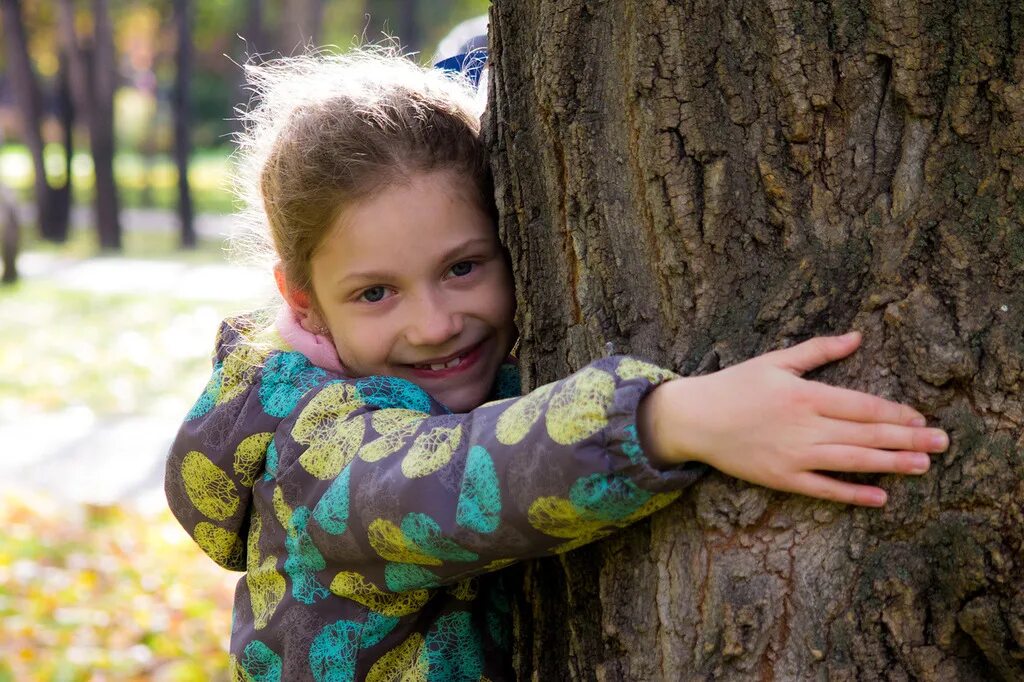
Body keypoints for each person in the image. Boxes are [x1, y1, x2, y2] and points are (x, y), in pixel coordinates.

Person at [164, 48, 949, 681]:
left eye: (464, 267)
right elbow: (435, 480)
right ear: (303, 304)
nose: (435, 324)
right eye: (375, 292)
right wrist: (669, 420)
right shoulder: (309, 444)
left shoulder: (478, 374)